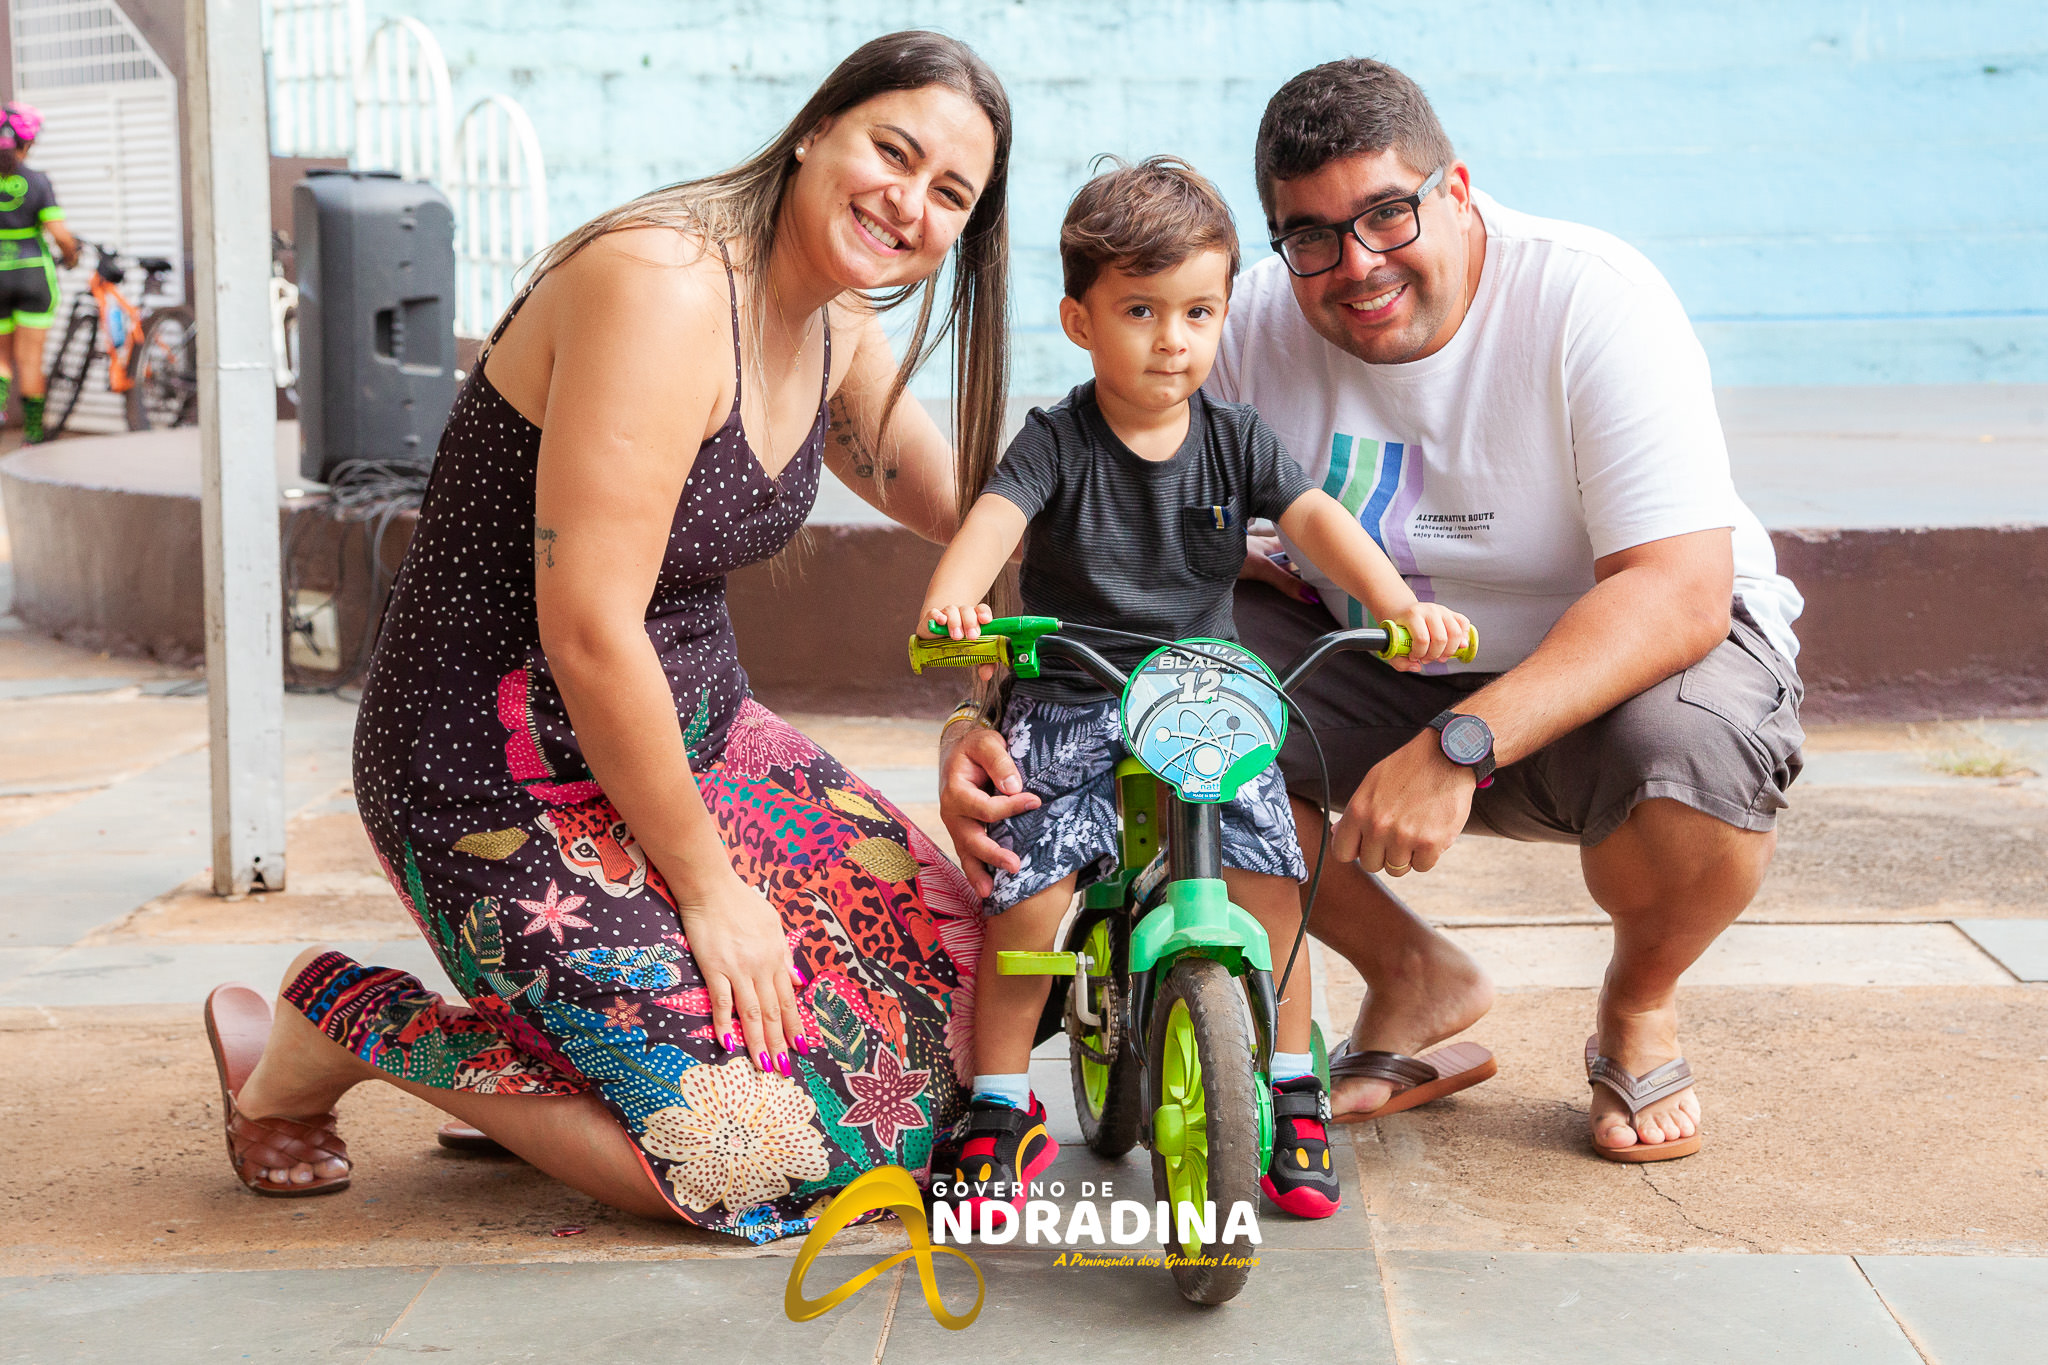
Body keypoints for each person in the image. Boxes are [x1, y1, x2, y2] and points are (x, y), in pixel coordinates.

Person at [202, 31, 1014, 1242]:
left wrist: (1109, 547)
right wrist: (710, 890)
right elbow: (586, 632)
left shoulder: (832, 312)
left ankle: (565, 1058)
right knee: (755, 1160)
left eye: (950, 192)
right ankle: (347, 1023)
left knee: (964, 1009)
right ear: (814, 130)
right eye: (891, 152)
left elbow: (912, 467)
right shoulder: (666, 284)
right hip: (496, 769)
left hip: (695, 730)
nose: (909, 202)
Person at [940, 59, 1804, 1165]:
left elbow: (1675, 592)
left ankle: (1637, 1004)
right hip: (1379, 654)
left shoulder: (1588, 297)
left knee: (1690, 763)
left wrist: (1460, 744)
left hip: (1609, 668)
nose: (1355, 265)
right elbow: (1088, 538)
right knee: (1186, 689)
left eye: (1386, 214)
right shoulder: (1224, 325)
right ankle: (1410, 976)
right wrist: (981, 719)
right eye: (1309, 237)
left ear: (1456, 189)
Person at [919, 157, 1471, 1219]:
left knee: (1274, 882)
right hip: (1071, 691)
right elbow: (989, 521)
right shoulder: (1056, 441)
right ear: (1082, 321)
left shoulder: (1234, 439)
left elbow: (1313, 521)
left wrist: (1392, 603)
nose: (1171, 338)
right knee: (1025, 891)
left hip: (1201, 691)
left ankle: (1290, 1087)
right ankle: (996, 1099)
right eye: (1139, 310)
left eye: (1197, 311)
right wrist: (951, 605)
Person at [0, 102, 80, 444]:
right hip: (34, 275)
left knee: (1, 361)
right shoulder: (37, 180)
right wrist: (71, 256)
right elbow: (60, 235)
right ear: (27, 143)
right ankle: (33, 434)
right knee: (30, 361)